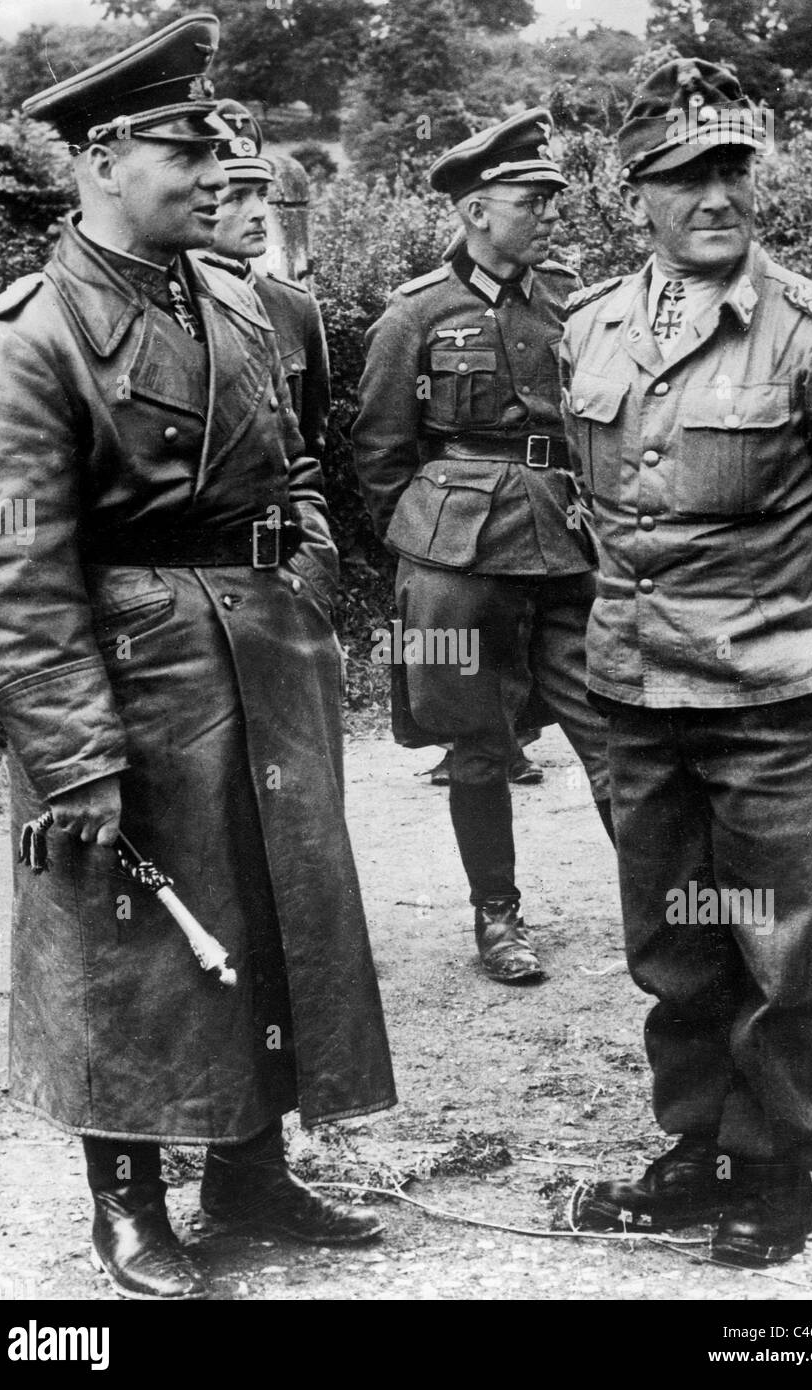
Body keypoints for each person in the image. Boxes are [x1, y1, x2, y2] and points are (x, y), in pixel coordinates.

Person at [0, 13, 395, 1302]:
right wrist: (73, 752)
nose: (216, 174)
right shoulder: (26, 336)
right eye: (183, 148)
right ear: (99, 160)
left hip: (262, 652)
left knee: (269, 909)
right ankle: (127, 1202)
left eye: (217, 147)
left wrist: (304, 577)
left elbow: (300, 464)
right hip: (130, 669)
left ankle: (252, 1170)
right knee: (135, 932)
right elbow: (9, 566)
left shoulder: (241, 301)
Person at [561, 56, 812, 1266]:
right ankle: (696, 1145)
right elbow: (595, 502)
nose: (713, 194)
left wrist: (804, 623)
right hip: (634, 687)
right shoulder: (588, 323)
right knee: (670, 936)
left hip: (771, 694)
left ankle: (772, 1162)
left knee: (773, 937)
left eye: (731, 170)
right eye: (683, 174)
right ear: (635, 190)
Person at [353, 110, 612, 986]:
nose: (545, 212)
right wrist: (427, 536)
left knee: (617, 726)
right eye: (528, 198)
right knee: (475, 743)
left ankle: (669, 908)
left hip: (568, 541)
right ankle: (496, 917)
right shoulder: (415, 313)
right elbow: (381, 451)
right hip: (457, 556)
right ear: (474, 211)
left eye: (548, 197)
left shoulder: (572, 301)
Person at [196, 99, 331, 464]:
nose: (258, 212)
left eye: (262, 194)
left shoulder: (294, 305)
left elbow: (311, 445)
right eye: (236, 196)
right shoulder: (166, 299)